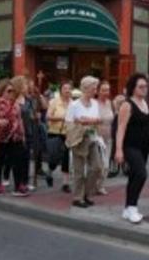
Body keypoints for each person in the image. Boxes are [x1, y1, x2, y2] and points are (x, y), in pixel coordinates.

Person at [115, 73, 149, 224]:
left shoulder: (145, 103)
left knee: (134, 176)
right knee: (141, 174)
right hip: (130, 145)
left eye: (146, 86)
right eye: (141, 86)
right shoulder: (127, 105)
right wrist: (118, 150)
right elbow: (121, 128)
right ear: (133, 88)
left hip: (144, 146)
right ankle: (133, 206)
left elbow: (146, 123)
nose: (144, 89)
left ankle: (127, 208)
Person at [64, 76, 104, 208]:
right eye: (94, 88)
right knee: (79, 171)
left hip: (92, 137)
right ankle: (78, 197)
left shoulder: (95, 103)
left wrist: (88, 121)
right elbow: (69, 122)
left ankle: (86, 193)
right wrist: (81, 122)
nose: (95, 90)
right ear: (85, 88)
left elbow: (98, 120)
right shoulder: (74, 105)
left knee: (97, 168)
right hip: (79, 139)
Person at [0, 76, 29, 196]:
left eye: (12, 90)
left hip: (15, 137)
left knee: (17, 160)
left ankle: (19, 185)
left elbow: (19, 120)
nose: (11, 93)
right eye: (8, 91)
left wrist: (23, 134)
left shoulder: (15, 105)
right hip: (0, 137)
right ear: (2, 91)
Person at [46, 81, 73, 192]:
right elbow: (48, 116)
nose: (67, 90)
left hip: (68, 134)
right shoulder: (54, 102)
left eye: (69, 88)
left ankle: (65, 184)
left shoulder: (73, 103)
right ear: (61, 90)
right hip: (54, 132)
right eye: (65, 88)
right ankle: (50, 171)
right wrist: (62, 118)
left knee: (66, 157)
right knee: (54, 158)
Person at [96, 81, 116, 195]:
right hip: (96, 138)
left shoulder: (110, 103)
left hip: (108, 138)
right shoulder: (94, 103)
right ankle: (93, 184)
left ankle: (101, 186)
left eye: (107, 90)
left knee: (106, 164)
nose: (106, 93)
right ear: (98, 91)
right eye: (103, 90)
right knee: (97, 165)